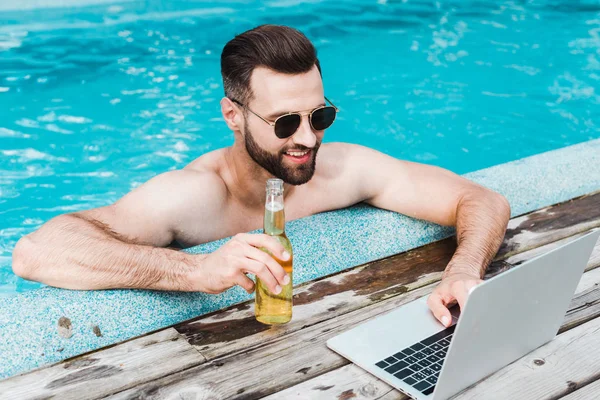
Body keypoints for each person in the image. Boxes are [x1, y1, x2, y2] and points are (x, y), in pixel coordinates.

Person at [11, 25, 511, 328]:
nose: (309, 139)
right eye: (285, 122)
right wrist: (196, 272)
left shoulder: (344, 169)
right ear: (233, 117)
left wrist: (463, 271)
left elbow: (481, 200)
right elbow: (35, 252)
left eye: (319, 117)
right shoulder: (193, 196)